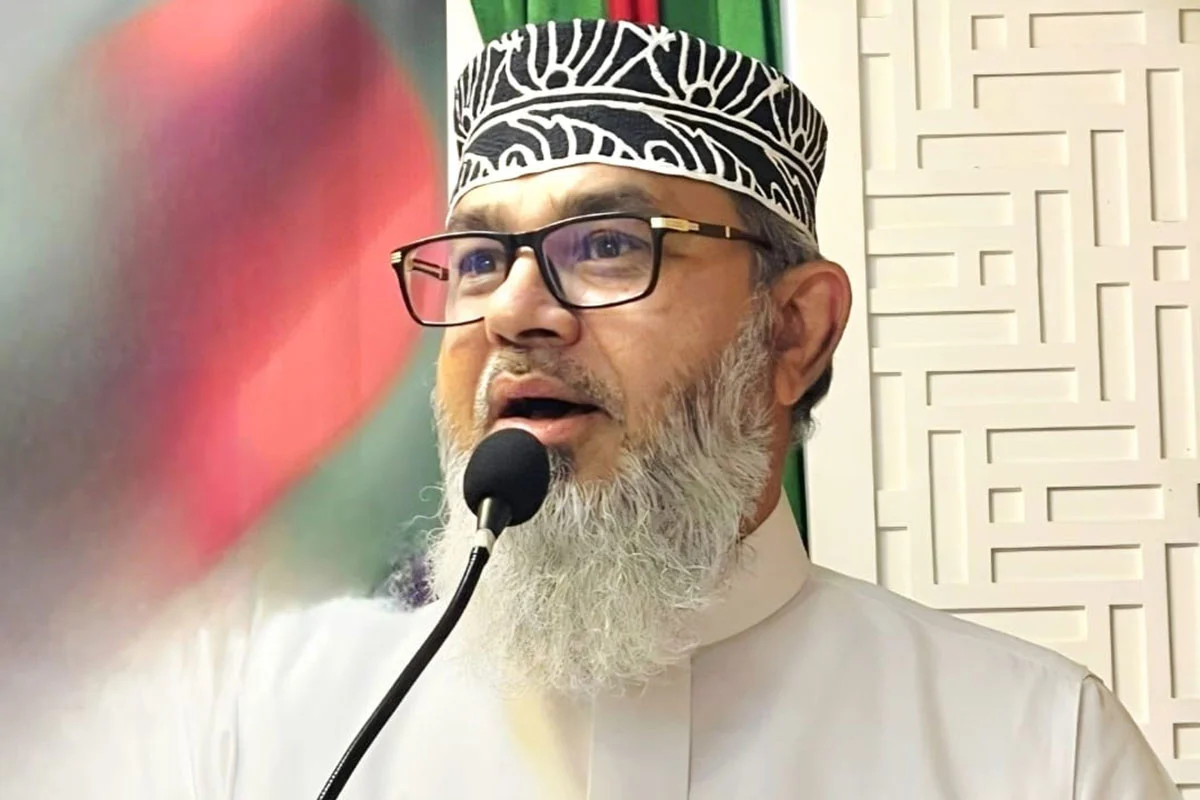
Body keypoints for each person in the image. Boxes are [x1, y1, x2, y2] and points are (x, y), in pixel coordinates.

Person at [85, 18, 1180, 800]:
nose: (515, 311)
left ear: (792, 331)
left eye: (607, 244)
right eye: (477, 259)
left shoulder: (1038, 751)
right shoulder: (253, 725)